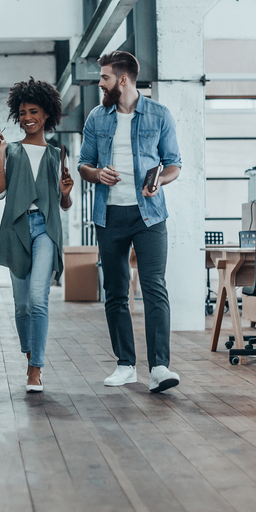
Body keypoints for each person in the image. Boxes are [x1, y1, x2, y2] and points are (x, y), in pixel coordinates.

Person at [77, 50, 183, 393]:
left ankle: (160, 367)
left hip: (149, 215)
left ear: (122, 79)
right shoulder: (97, 117)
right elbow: (83, 165)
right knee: (116, 291)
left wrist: (159, 182)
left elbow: (174, 164)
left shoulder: (159, 114)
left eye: (104, 77)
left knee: (154, 288)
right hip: (109, 215)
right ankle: (125, 365)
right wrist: (97, 173)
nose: (100, 83)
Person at [0, 79, 74, 392]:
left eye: (34, 111)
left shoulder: (57, 154)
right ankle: (29, 354)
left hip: (46, 230)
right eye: (23, 112)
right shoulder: (10, 150)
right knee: (22, 304)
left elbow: (63, 205)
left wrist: (66, 194)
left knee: (39, 298)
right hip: (16, 228)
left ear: (47, 114)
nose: (28, 117)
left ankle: (35, 368)